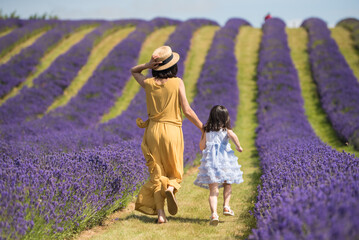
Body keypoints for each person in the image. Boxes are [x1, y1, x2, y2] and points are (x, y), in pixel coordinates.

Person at [131, 46, 203, 224]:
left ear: (156, 66)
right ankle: (171, 187)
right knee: (175, 171)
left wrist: (147, 65)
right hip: (172, 131)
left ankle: (161, 215)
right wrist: (202, 127)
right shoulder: (177, 82)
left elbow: (134, 71)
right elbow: (186, 110)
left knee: (156, 173)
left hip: (153, 132)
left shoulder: (148, 83)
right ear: (172, 66)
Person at [194, 105, 244, 226]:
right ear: (225, 118)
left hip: (211, 163)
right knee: (228, 183)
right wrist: (238, 146)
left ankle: (214, 214)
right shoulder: (226, 130)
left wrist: (204, 141)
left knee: (213, 190)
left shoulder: (207, 130)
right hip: (225, 162)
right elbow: (234, 136)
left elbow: (201, 147)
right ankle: (226, 206)